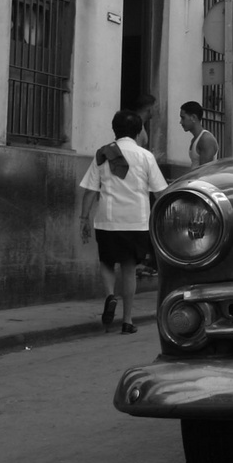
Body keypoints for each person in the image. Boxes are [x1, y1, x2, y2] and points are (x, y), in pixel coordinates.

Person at [78, 109, 167, 334]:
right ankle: (127, 321)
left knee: (107, 262)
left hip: (108, 221)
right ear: (138, 131)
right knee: (129, 268)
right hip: (136, 222)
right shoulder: (145, 156)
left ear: (114, 130)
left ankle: (110, 295)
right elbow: (160, 192)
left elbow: (90, 190)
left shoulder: (103, 153)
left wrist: (84, 218)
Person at [181, 100, 218, 170]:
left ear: (193, 117)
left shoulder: (206, 139)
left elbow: (203, 171)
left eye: (183, 118)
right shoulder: (195, 140)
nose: (181, 122)